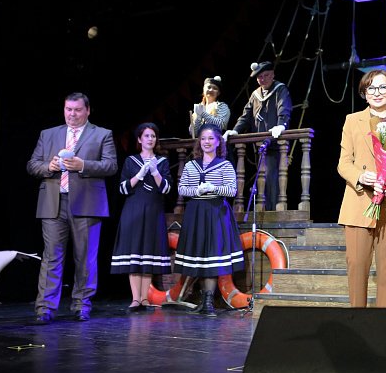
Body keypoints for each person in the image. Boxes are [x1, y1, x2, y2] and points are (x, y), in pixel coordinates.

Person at [25, 92, 118, 324]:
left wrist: (83, 165)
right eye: (68, 109)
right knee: (51, 257)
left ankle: (81, 305)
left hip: (87, 203)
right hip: (53, 203)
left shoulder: (102, 134)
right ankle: (45, 308)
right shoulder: (48, 134)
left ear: (87, 110)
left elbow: (111, 165)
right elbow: (32, 165)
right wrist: (49, 166)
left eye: (77, 110)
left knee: (85, 258)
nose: (72, 114)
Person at [337, 70, 386, 308]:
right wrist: (360, 176)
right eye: (371, 88)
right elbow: (343, 163)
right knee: (357, 268)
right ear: (364, 93)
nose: (377, 93)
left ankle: (384, 325)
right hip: (359, 203)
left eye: (383, 87)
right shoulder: (352, 120)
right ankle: (358, 322)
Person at [175, 123, 244, 317]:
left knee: (212, 256)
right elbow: (182, 189)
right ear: (199, 142)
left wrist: (213, 188)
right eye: (204, 139)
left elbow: (231, 190)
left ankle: (208, 302)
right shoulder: (191, 165)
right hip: (196, 212)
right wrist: (196, 191)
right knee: (200, 256)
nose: (207, 142)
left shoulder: (225, 165)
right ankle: (204, 302)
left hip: (216, 212)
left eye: (211, 138)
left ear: (218, 142)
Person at [110, 122, 172, 312]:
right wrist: (140, 174)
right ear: (139, 139)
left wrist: (154, 172)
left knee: (148, 255)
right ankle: (135, 299)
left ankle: (145, 299)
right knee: (135, 254)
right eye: (146, 136)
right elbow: (123, 188)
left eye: (153, 136)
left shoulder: (162, 162)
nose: (150, 139)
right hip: (134, 211)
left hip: (153, 211)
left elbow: (166, 189)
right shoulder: (131, 161)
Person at [224, 62, 292, 211]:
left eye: (266, 75)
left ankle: (272, 212)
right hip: (259, 146)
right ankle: (264, 211)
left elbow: (284, 109)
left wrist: (281, 125)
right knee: (262, 180)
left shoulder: (280, 89)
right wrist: (235, 130)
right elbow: (246, 116)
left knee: (272, 180)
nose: (263, 79)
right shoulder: (255, 95)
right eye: (259, 77)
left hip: (275, 145)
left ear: (272, 74)